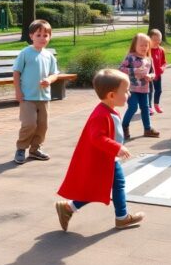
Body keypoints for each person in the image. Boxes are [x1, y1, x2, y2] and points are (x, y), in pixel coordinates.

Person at [55, 69, 144, 231]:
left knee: (108, 186)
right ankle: (121, 217)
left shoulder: (107, 110)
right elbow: (97, 138)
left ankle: (70, 208)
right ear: (111, 95)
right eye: (126, 91)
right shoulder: (101, 114)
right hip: (103, 159)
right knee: (108, 186)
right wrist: (117, 147)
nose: (129, 94)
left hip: (108, 158)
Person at [13, 19, 59, 165]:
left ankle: (35, 149)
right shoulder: (25, 53)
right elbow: (16, 72)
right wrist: (18, 92)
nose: (42, 38)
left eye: (46, 35)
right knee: (29, 124)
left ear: (50, 37)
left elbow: (54, 73)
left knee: (42, 125)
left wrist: (49, 80)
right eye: (38, 35)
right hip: (27, 97)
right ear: (31, 36)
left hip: (44, 97)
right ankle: (21, 148)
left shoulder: (49, 56)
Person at [119, 33, 160, 139]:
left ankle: (148, 129)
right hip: (131, 88)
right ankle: (124, 126)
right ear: (134, 45)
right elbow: (121, 69)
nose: (144, 47)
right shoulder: (130, 57)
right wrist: (135, 71)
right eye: (141, 45)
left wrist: (150, 77)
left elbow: (153, 73)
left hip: (144, 88)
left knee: (145, 108)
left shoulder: (148, 59)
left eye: (146, 45)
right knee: (133, 107)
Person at [148, 29, 166, 115]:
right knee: (150, 91)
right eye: (154, 40)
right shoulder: (147, 50)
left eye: (159, 39)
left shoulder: (161, 50)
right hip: (149, 75)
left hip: (158, 74)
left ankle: (156, 105)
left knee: (159, 90)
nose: (157, 41)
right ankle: (149, 107)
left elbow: (164, 62)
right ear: (149, 39)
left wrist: (163, 68)